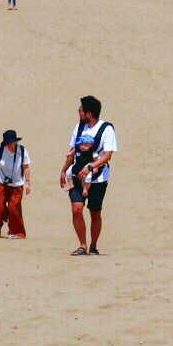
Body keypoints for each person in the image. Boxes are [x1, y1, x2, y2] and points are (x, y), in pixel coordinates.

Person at [62, 95, 120, 256]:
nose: (78, 112)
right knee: (77, 208)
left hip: (98, 178)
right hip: (77, 175)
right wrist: (63, 169)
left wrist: (90, 167)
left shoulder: (106, 129)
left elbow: (107, 156)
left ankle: (94, 245)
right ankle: (83, 245)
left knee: (95, 212)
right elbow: (72, 151)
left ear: (89, 113)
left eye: (81, 109)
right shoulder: (78, 128)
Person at [0, 128, 29, 238]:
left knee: (14, 208)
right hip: (1, 182)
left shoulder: (22, 151)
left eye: (10, 143)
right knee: (0, 207)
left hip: (16, 183)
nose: (9, 145)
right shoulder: (0, 149)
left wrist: (27, 183)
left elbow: (26, 167)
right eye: (7, 143)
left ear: (15, 142)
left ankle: (16, 232)